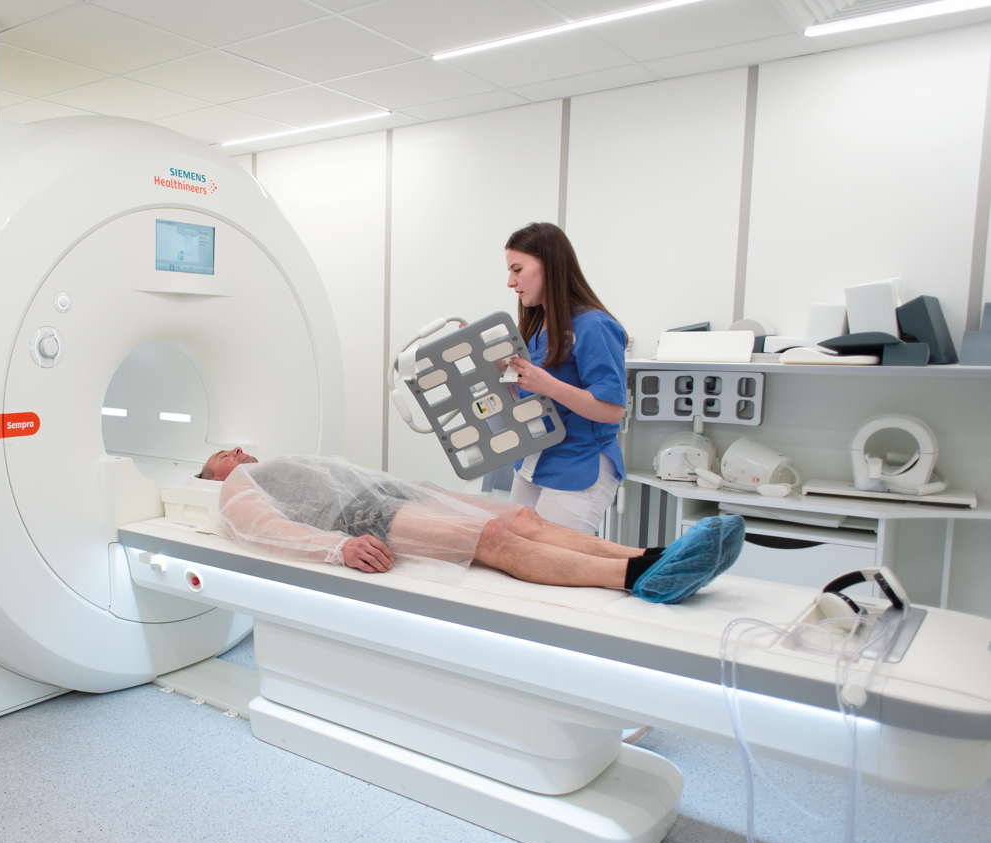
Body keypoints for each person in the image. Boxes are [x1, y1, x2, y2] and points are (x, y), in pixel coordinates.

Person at [205, 452, 743, 604]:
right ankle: (638, 577)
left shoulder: (276, 461)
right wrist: (337, 548)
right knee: (492, 540)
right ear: (215, 474)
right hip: (361, 517)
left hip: (397, 493)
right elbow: (261, 530)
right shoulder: (236, 486)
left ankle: (652, 554)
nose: (235, 451)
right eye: (219, 456)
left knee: (522, 517)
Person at [503, 222, 627, 535]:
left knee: (549, 557)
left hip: (579, 462)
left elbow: (612, 410)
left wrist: (546, 384)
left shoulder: (594, 325)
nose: (510, 282)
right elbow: (529, 398)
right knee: (510, 548)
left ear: (549, 264)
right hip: (535, 459)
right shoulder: (537, 327)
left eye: (517, 270)